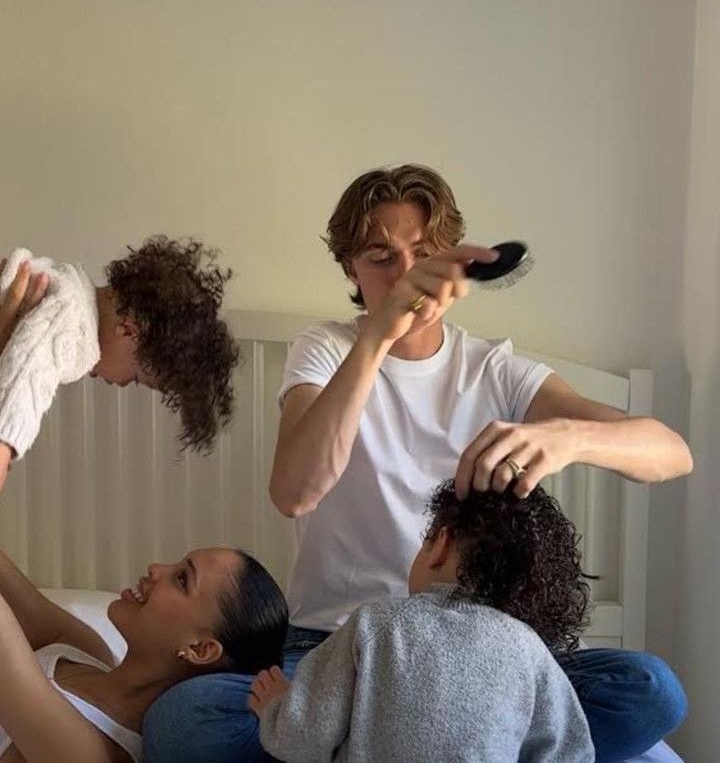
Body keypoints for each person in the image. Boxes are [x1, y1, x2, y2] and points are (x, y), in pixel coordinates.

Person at [144, 164, 691, 763]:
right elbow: (295, 492)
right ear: (350, 268)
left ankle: (381, 745)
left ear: (456, 261)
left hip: (484, 656)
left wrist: (568, 438)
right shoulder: (325, 349)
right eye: (380, 256)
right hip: (337, 649)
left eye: (423, 253)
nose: (405, 274)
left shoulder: (495, 370)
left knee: (650, 692)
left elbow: (671, 452)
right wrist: (376, 338)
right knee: (185, 720)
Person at [249, 482, 596, 762]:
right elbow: (571, 753)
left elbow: (303, 739)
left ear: (440, 544)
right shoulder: (528, 648)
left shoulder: (377, 624)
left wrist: (277, 708)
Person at [0, 543, 288, 763]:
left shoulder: (93, 752)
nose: (155, 568)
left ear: (200, 649)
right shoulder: (88, 651)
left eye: (182, 579)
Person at [0, 237, 239, 493]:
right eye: (136, 377)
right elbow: (16, 396)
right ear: (128, 331)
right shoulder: (71, 325)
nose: (123, 384)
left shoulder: (71, 286)